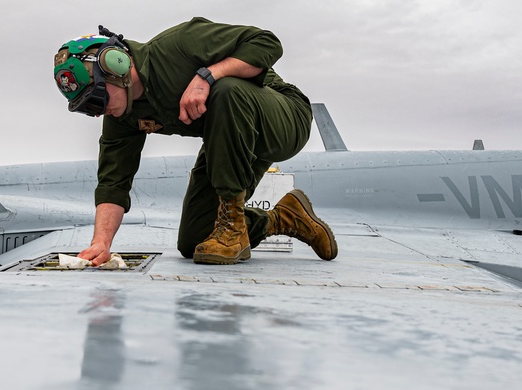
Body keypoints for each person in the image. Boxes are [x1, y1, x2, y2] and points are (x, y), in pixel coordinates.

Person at [52, 17, 338, 266]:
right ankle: (286, 218)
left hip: (284, 117)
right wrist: (101, 243)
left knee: (225, 90)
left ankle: (233, 232)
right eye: (88, 109)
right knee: (196, 239)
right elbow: (113, 183)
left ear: (116, 66)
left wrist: (209, 75)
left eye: (97, 100)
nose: (99, 111)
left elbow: (267, 42)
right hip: (231, 141)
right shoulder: (122, 115)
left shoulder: (179, 45)